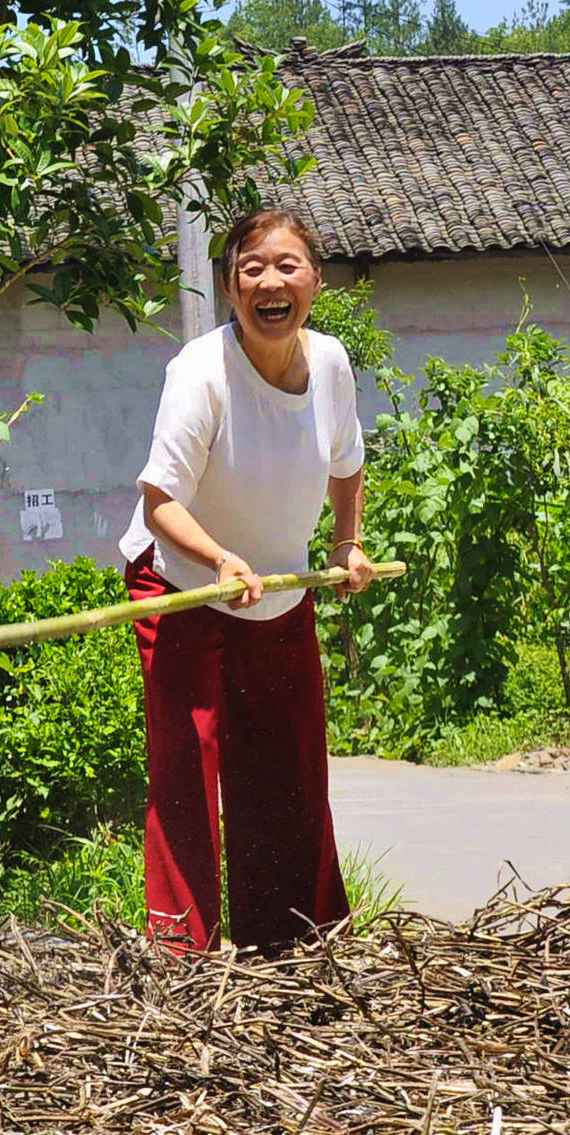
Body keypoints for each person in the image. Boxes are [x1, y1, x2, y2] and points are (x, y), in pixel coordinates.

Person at [119, 207, 376, 953]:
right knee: (187, 768)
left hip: (279, 593)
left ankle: (293, 943)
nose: (271, 280)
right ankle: (183, 954)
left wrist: (347, 542)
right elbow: (160, 501)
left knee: (289, 766)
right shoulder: (199, 373)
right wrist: (221, 561)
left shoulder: (329, 363)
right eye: (252, 268)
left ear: (316, 282)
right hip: (182, 587)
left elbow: (347, 462)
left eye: (288, 264)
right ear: (231, 289)